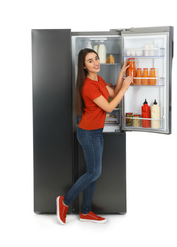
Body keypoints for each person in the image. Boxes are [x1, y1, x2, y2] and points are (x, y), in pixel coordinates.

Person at [57, 48, 133, 224]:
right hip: (88, 133)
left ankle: (85, 211)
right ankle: (65, 201)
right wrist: (125, 88)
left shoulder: (99, 79)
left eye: (96, 59)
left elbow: (113, 94)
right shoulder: (88, 87)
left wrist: (121, 74)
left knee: (94, 172)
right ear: (84, 66)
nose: (96, 63)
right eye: (90, 61)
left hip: (96, 132)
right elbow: (108, 107)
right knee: (94, 171)